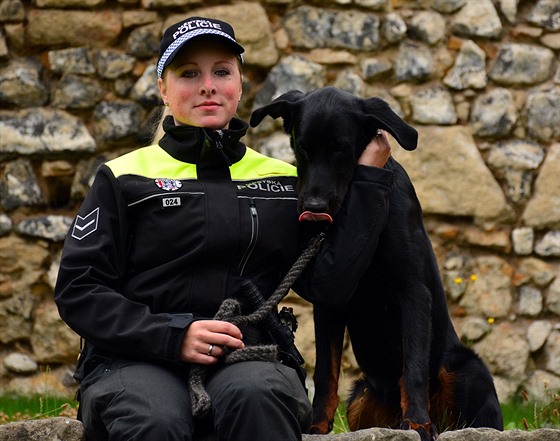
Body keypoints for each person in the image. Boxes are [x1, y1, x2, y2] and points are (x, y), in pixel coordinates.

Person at [54, 16, 393, 441]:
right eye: (189, 73)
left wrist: (369, 181)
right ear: (163, 88)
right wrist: (173, 335)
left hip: (251, 356)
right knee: (155, 419)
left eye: (221, 71)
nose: (207, 85)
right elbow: (79, 289)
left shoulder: (285, 180)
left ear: (239, 83)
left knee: (259, 396)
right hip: (133, 360)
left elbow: (330, 286)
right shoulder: (122, 177)